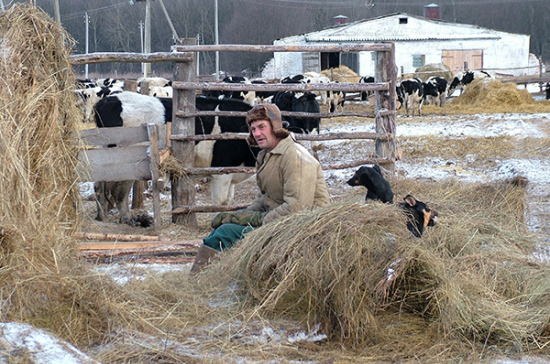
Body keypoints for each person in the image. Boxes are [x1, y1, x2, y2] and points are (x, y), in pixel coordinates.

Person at [190, 103, 331, 274]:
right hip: (280, 221)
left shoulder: (295, 156)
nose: (256, 133)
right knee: (220, 229)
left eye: (262, 127)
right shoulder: (267, 155)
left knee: (225, 233)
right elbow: (264, 198)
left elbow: (297, 208)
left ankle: (200, 282)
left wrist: (258, 220)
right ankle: (214, 277)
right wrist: (239, 216)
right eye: (253, 128)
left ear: (275, 126)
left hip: (304, 228)